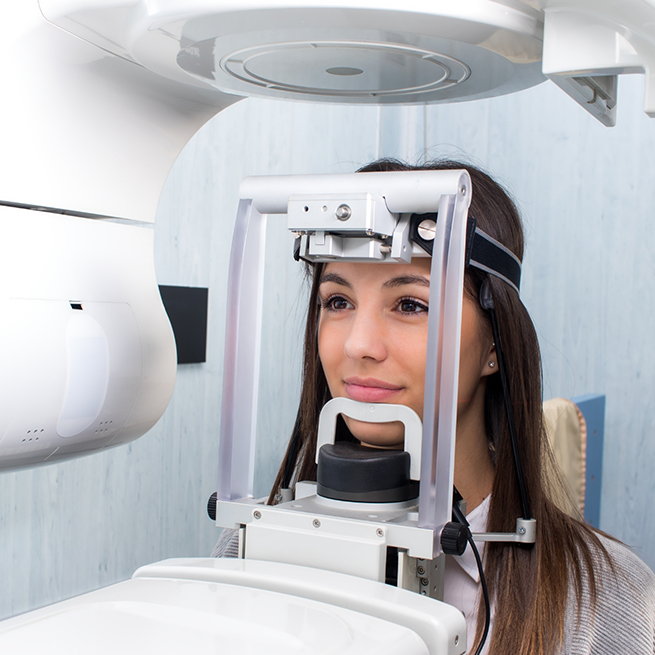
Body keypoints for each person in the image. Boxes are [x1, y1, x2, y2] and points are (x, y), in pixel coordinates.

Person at [214, 158, 655, 655]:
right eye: (337, 301)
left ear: (494, 345)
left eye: (410, 305)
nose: (358, 345)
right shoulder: (251, 549)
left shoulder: (607, 600)